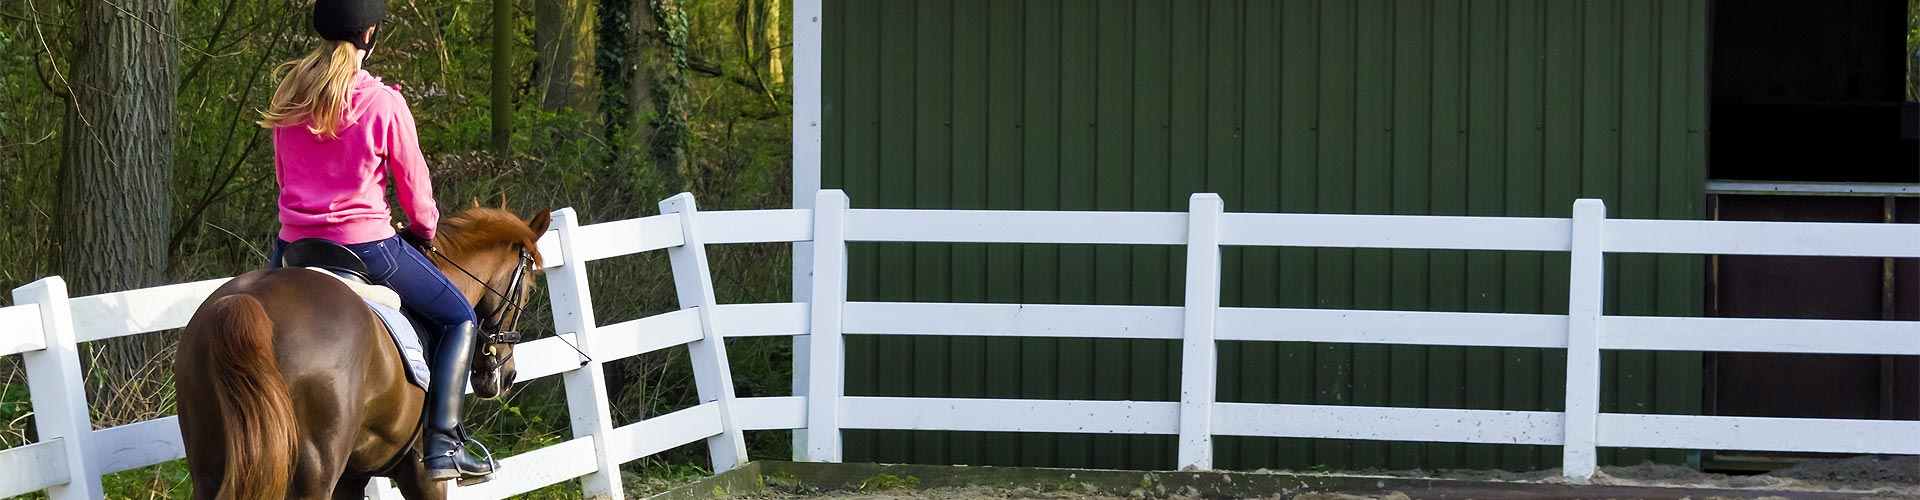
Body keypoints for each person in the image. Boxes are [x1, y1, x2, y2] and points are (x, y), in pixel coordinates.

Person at [257, 0, 494, 482]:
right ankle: (444, 443)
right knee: (460, 318)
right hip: (366, 248)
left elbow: (283, 177)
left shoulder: (289, 95)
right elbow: (416, 190)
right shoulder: (383, 101)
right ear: (369, 36)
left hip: (295, 248)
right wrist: (424, 230)